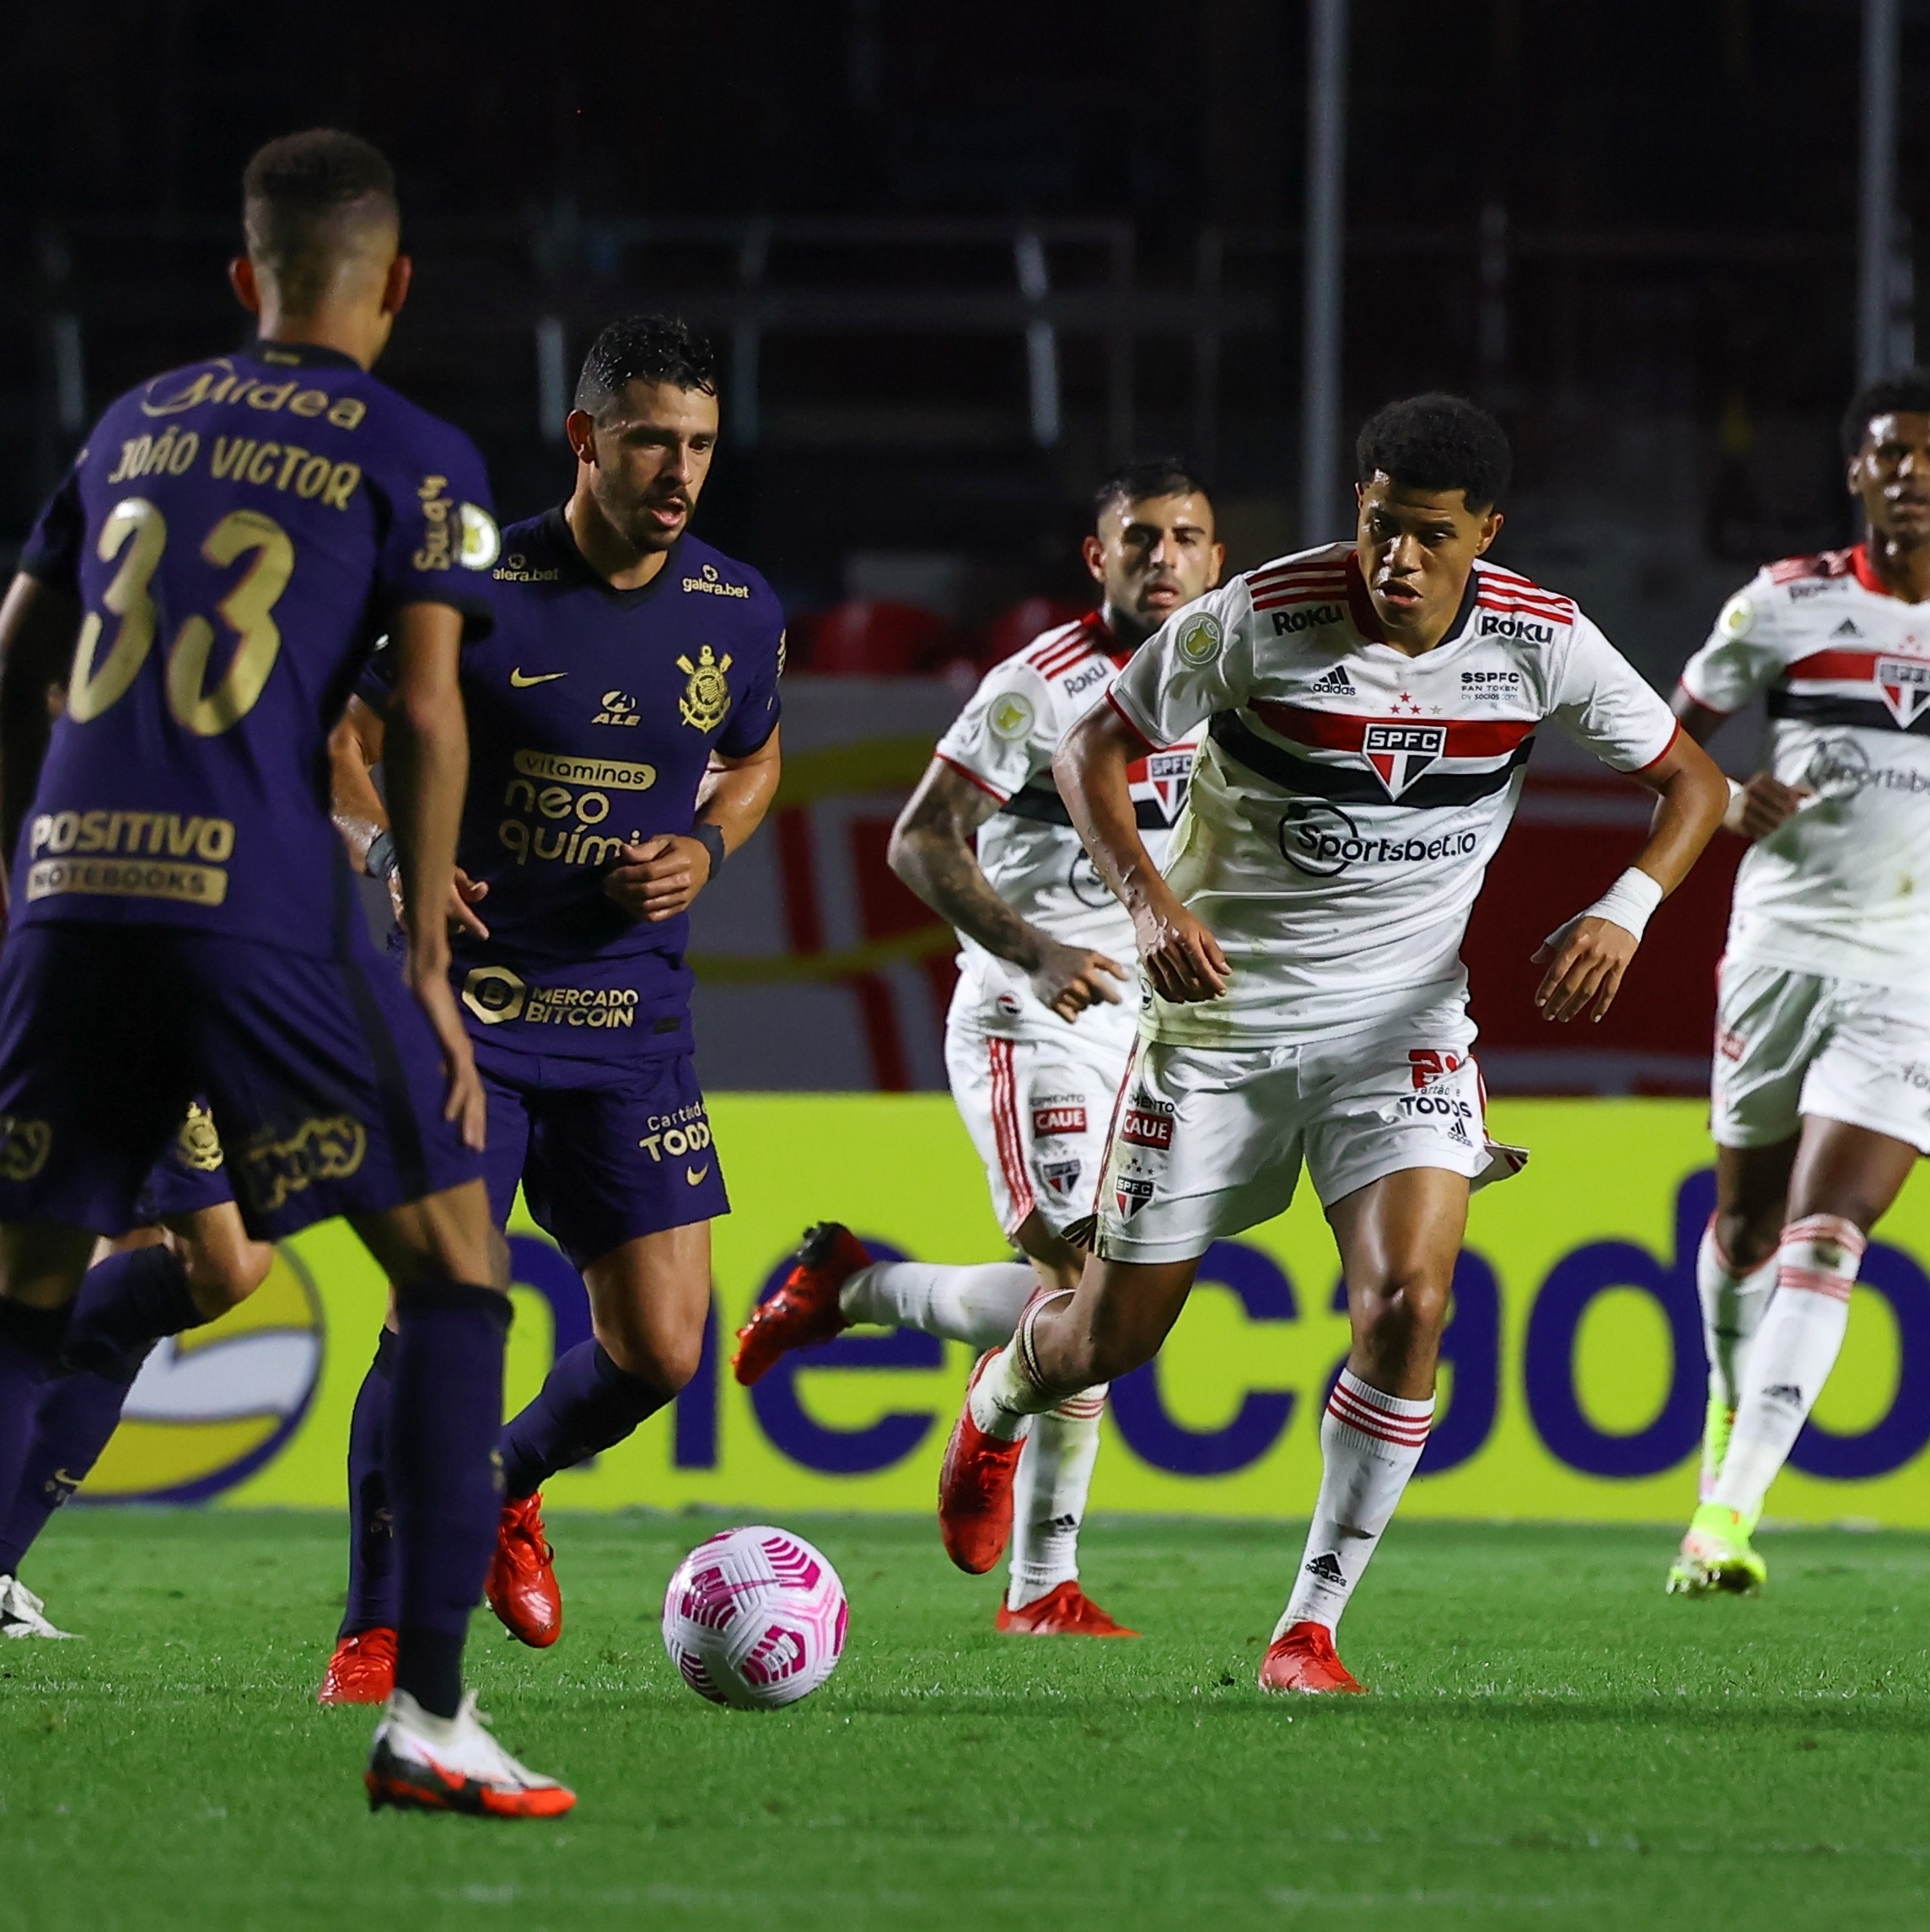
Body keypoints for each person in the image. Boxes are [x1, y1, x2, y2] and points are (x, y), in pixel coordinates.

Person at [935, 393, 1729, 1693]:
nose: (1395, 560)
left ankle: (1307, 1630)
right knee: (1112, 1336)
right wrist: (1149, 903)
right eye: (1376, 527)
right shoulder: (1261, 616)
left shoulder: (1541, 643)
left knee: (1410, 1304)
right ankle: (998, 1401)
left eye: (1427, 535)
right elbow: (1091, 746)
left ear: (1485, 533)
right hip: (1219, 1026)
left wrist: (1624, 908)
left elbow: (1689, 780)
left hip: (1401, 1024)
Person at [0, 128, 572, 1815]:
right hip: (252, 893)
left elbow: (20, 646)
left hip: (68, 893)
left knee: (26, 1291)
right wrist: (412, 956)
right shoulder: (414, 450)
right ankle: (433, 1720)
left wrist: (21, 868)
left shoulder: (129, 422)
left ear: (243, 278)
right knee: (458, 1266)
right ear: (392, 284)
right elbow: (427, 708)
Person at [318, 315, 783, 1702]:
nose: (679, 471)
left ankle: (510, 1479)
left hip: (632, 1024)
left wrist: (707, 846)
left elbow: (751, 765)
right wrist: (390, 857)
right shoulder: (472, 582)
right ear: (587, 437)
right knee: (440, 1311)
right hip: (470, 1016)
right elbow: (346, 740)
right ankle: (377, 1625)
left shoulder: (735, 609)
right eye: (652, 440)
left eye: (699, 444)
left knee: (661, 1349)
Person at [732, 459, 1220, 1637]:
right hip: (1030, 1019)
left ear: (1219, 562)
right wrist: (1037, 950)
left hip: (1158, 1032)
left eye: (1189, 538)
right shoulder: (1038, 687)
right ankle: (1034, 1572)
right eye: (1139, 538)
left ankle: (850, 1286)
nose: (1164, 557)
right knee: (1081, 1278)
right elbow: (920, 842)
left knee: (1107, 1308)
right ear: (1094, 560)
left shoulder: (1230, 686)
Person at [1665, 369, 1930, 1596]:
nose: (1911, 474)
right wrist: (1720, 805)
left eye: (1927, 456)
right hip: (1776, 948)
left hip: (1908, 971)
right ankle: (1725, 1412)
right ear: (1854, 473)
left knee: (1831, 1232)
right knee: (1746, 1229)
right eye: (1890, 455)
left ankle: (1725, 1511)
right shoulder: (1785, 604)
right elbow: (1666, 743)